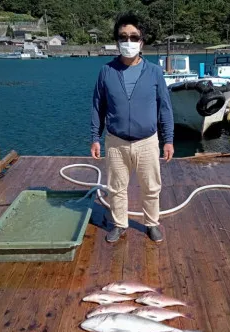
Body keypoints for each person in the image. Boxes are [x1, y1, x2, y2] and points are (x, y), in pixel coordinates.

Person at [90, 12, 174, 243]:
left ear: (141, 41)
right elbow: (98, 106)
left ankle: (151, 223)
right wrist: (95, 137)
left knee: (151, 187)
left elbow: (165, 108)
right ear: (117, 40)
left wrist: (168, 140)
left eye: (133, 37)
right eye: (123, 37)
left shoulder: (155, 72)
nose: (128, 42)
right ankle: (119, 223)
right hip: (115, 142)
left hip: (147, 141)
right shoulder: (106, 72)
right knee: (116, 188)